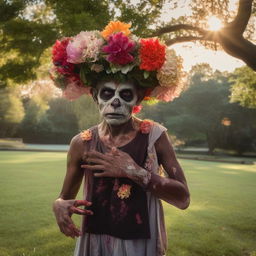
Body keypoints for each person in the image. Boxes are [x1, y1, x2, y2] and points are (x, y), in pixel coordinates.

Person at [51, 21, 190, 256]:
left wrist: (134, 171)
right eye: (107, 93)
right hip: (94, 242)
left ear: (137, 100)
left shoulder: (155, 137)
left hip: (139, 242)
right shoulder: (81, 143)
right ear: (95, 97)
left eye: (125, 95)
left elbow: (183, 198)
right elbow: (65, 198)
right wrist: (58, 205)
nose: (115, 102)